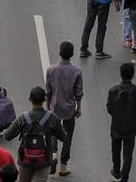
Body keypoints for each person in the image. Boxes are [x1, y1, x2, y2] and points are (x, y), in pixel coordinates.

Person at [0, 86, 68, 182]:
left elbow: (8, 136)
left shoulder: (23, 118)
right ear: (44, 99)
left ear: (29, 99)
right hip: (44, 161)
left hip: (25, 160)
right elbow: (64, 137)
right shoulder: (52, 117)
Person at [105, 61, 136, 182]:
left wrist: (116, 115)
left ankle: (116, 171)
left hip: (116, 126)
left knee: (115, 150)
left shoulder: (113, 90)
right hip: (131, 126)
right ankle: (124, 177)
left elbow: (109, 107)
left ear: (120, 74)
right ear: (133, 74)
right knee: (128, 154)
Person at [43, 41, 82, 176]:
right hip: (69, 109)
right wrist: (78, 108)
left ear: (60, 53)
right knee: (67, 136)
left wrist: (48, 107)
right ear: (72, 54)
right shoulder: (76, 71)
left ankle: (53, 153)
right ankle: (63, 166)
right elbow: (78, 93)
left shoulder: (51, 70)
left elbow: (48, 92)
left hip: (54, 107)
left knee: (53, 132)